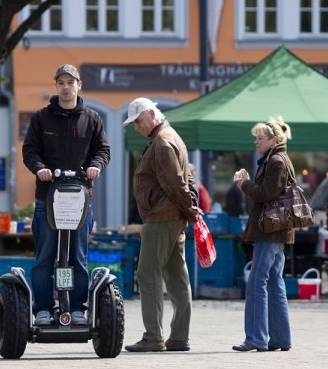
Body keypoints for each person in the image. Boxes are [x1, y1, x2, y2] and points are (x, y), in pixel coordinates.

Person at [22, 64, 110, 326]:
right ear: (56, 86)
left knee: (78, 256)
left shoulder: (92, 119)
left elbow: (103, 150)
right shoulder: (42, 118)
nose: (66, 87)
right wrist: (40, 170)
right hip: (47, 197)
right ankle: (44, 309)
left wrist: (96, 166)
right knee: (46, 256)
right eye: (61, 82)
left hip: (80, 198)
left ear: (79, 85)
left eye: (70, 82)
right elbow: (30, 151)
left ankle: (78, 308)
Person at [123, 97, 199, 353]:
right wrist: (191, 211)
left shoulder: (162, 142)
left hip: (161, 218)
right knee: (177, 277)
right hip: (172, 217)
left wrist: (190, 210)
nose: (137, 127)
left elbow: (175, 183)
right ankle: (178, 337)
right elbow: (187, 178)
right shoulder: (171, 136)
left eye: (139, 122)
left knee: (148, 275)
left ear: (152, 115)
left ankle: (153, 336)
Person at [232, 116, 293, 352]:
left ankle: (256, 338)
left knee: (257, 281)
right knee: (275, 282)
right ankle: (280, 338)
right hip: (276, 231)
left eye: (260, 138)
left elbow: (266, 193)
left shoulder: (276, 161)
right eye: (256, 138)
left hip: (270, 230)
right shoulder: (277, 159)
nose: (256, 142)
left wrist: (244, 184)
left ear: (274, 140)